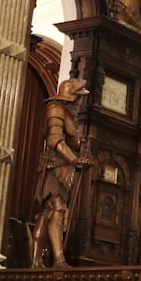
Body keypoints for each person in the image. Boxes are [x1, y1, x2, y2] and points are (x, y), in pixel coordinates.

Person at [32, 78, 91, 268]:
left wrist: (82, 153)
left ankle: (37, 261)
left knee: (48, 213)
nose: (80, 101)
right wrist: (74, 159)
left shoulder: (68, 113)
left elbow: (73, 141)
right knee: (56, 210)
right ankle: (58, 259)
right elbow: (55, 140)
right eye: (79, 97)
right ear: (72, 96)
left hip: (63, 169)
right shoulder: (55, 108)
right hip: (53, 168)